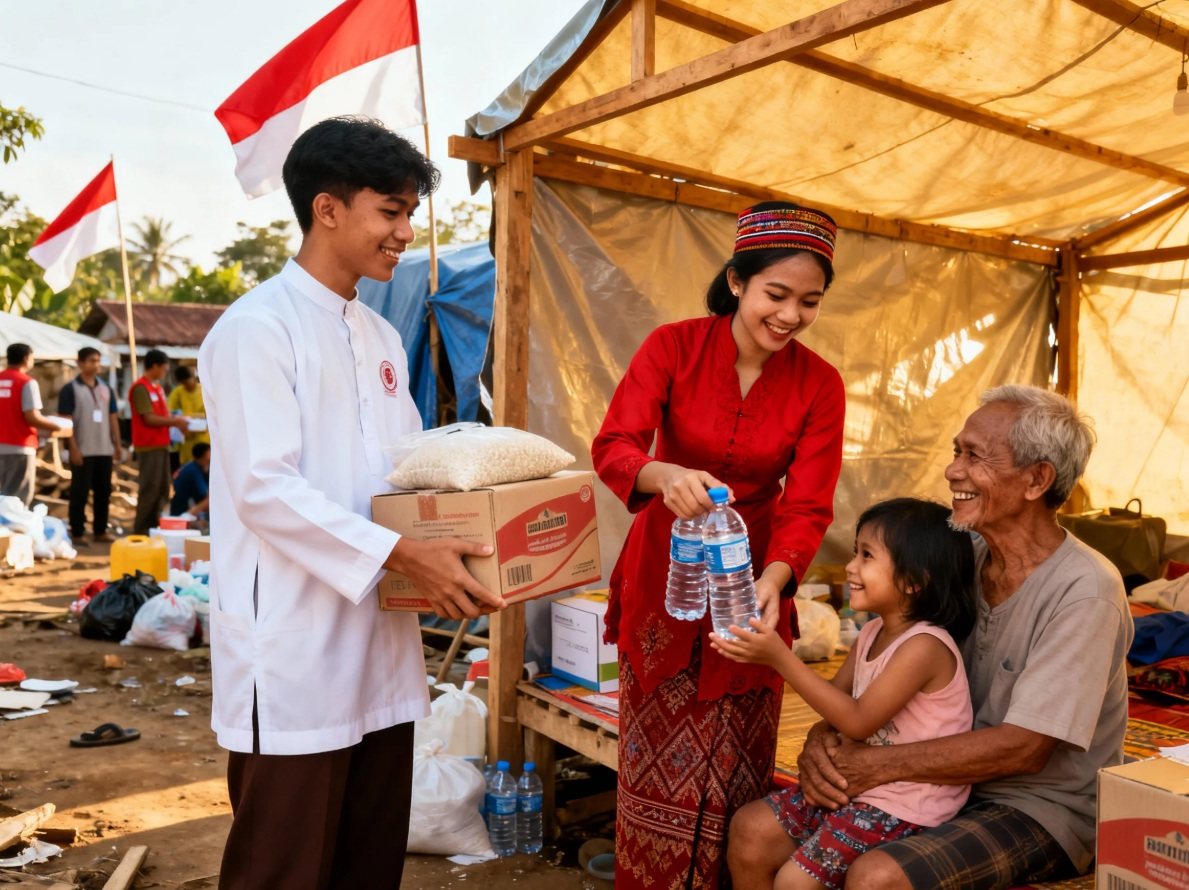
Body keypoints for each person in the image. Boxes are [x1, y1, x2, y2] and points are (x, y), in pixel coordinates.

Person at [198, 116, 505, 890]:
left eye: (409, 214)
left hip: (381, 639)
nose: (405, 232)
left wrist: (471, 530)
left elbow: (402, 473)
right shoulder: (255, 329)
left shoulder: (376, 334)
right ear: (327, 209)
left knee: (368, 857)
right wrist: (405, 556)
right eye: (390, 211)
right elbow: (264, 488)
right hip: (294, 647)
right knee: (284, 865)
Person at [729, 385, 1133, 890]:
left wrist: (870, 766)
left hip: (1038, 808)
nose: (952, 471)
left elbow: (1025, 749)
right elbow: (861, 695)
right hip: (931, 781)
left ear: (1037, 479)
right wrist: (821, 744)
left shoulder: (1086, 591)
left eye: (974, 456)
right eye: (955, 452)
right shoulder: (964, 558)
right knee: (752, 832)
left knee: (876, 878)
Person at [591, 202, 847, 889]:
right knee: (657, 761)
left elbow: (808, 501)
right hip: (664, 571)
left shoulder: (820, 384)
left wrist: (777, 578)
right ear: (736, 281)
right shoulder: (672, 346)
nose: (790, 314)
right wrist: (661, 474)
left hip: (754, 579)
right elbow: (614, 444)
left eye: (809, 301)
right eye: (776, 294)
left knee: (736, 762)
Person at [713, 498, 977, 890]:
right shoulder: (871, 632)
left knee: (794, 882)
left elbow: (856, 719)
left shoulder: (925, 645)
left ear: (913, 580)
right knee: (748, 825)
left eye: (867, 555)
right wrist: (765, 654)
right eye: (856, 552)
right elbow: (833, 702)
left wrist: (780, 659)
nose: (851, 566)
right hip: (863, 787)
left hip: (907, 804)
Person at [57, 346, 122, 543]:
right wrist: (73, 447)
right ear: (80, 363)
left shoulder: (105, 388)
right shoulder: (70, 389)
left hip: (104, 448)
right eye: (92, 360)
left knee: (103, 491)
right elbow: (66, 421)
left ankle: (100, 530)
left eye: (98, 360)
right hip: (82, 449)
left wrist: (117, 444)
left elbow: (113, 417)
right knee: (80, 491)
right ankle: (77, 532)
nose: (96, 364)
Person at [130, 348, 188, 534]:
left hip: (161, 444)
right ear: (154, 366)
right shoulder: (141, 388)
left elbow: (161, 415)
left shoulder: (156, 388)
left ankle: (152, 528)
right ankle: (140, 532)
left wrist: (176, 419)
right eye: (163, 368)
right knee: (150, 491)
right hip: (149, 446)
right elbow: (149, 418)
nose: (164, 372)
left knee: (162, 490)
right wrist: (176, 421)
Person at [0, 343, 62, 507]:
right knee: (16, 502)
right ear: (26, 359)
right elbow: (32, 417)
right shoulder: (27, 382)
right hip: (19, 447)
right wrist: (55, 426)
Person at [168, 364, 209, 465]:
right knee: (188, 466)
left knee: (206, 466)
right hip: (186, 438)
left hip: (204, 437)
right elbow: (171, 414)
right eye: (183, 383)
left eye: (187, 381)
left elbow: (211, 413)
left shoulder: (204, 390)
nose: (186, 385)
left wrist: (192, 416)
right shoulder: (177, 393)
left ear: (194, 378)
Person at [170, 441, 210, 517]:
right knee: (211, 499)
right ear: (202, 457)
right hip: (183, 511)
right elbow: (207, 497)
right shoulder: (193, 471)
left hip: (178, 507)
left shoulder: (190, 467)